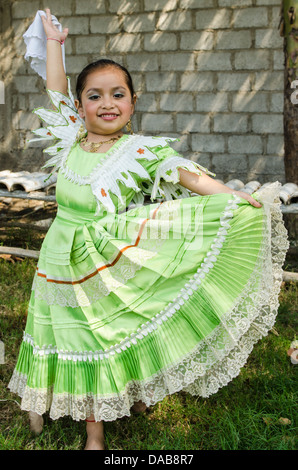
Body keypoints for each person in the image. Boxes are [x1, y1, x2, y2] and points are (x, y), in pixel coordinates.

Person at [8, 9, 288, 451]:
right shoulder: (70, 139)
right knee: (52, 326)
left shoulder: (138, 151)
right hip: (59, 255)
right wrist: (55, 43)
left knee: (103, 332)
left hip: (105, 255)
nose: (107, 104)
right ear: (80, 107)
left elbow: (189, 176)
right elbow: (54, 87)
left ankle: (96, 433)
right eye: (95, 96)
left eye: (118, 94)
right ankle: (42, 400)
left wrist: (232, 198)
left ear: (133, 102)